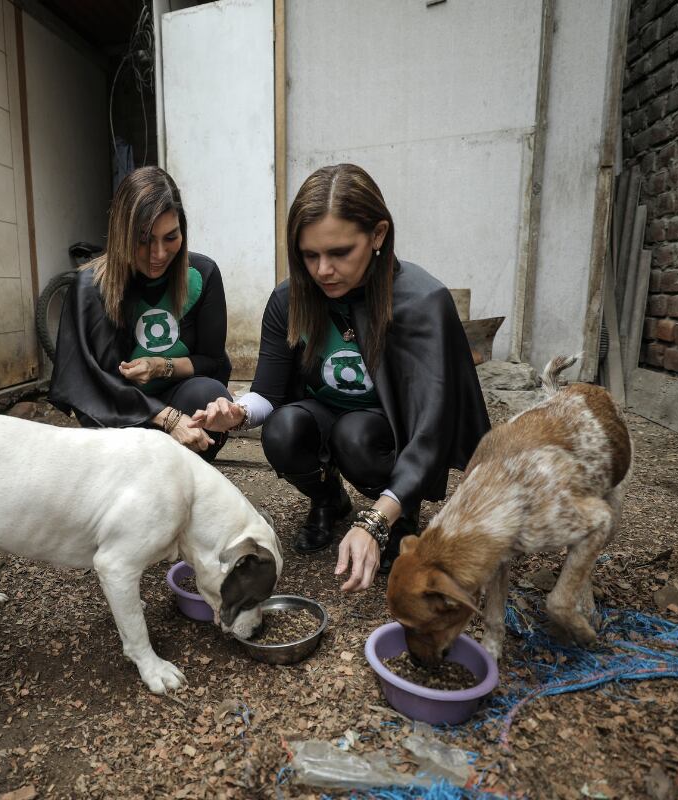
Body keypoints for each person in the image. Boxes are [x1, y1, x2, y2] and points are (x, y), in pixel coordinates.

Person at [194, 163, 489, 591]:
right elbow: (268, 394)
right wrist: (236, 413)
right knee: (283, 429)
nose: (322, 270)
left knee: (356, 435)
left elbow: (432, 430)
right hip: (322, 413)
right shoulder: (289, 298)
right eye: (309, 255)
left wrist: (375, 522)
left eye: (339, 252)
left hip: (384, 432)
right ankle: (328, 500)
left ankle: (398, 511)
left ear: (378, 236)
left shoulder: (422, 302)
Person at [49, 166, 233, 459]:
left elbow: (211, 361)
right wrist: (166, 417)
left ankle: (183, 481)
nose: (158, 254)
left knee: (209, 396)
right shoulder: (91, 287)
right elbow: (93, 385)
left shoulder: (203, 273)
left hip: (178, 397)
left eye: (170, 237)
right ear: (122, 233)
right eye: (144, 240)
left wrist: (162, 366)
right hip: (118, 415)